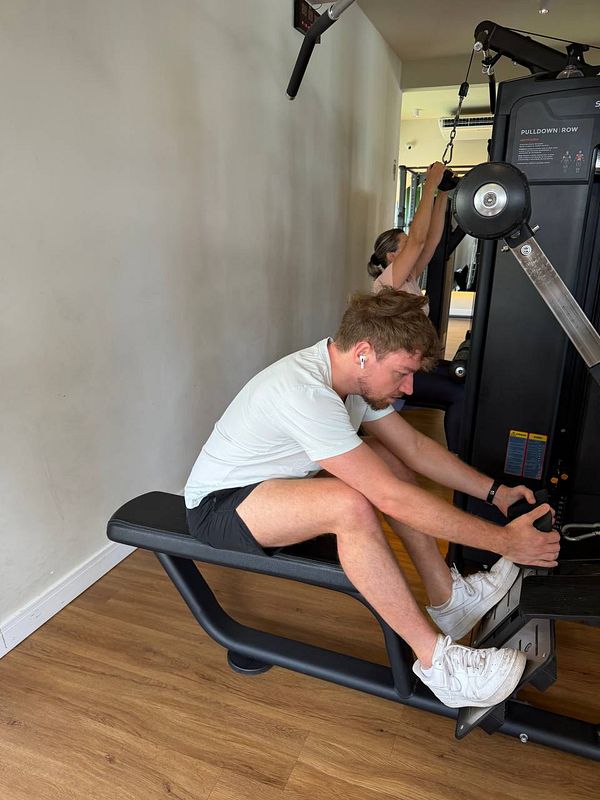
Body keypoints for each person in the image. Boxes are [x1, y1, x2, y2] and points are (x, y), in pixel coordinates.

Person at [184, 288, 559, 709]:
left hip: (271, 490)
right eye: (402, 373)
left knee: (385, 455)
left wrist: (496, 492)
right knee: (350, 504)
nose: (409, 387)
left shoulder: (355, 384)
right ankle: (437, 664)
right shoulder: (305, 391)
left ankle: (449, 599)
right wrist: (504, 541)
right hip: (219, 507)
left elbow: (414, 449)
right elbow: (391, 499)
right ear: (363, 353)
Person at [368, 161, 465, 452]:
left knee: (466, 382)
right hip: (394, 370)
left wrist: (443, 193)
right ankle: (458, 459)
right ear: (391, 256)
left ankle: (463, 455)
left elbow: (430, 241)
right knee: (460, 394)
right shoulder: (388, 282)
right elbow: (420, 240)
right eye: (406, 245)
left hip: (413, 362)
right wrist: (429, 184)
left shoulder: (408, 277)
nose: (414, 247)